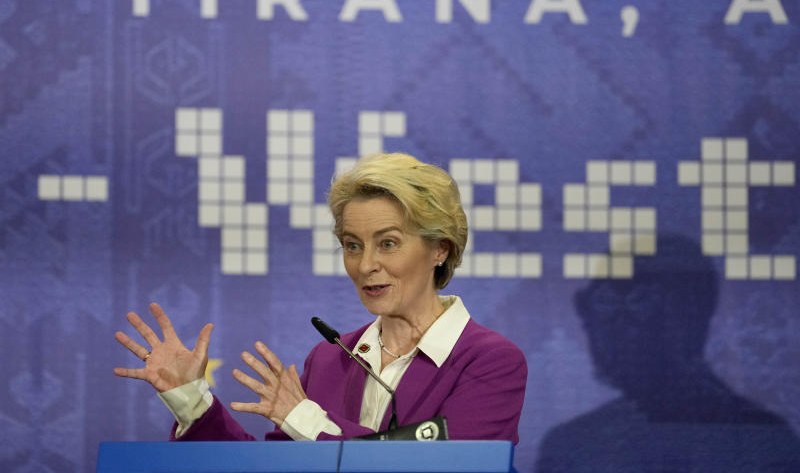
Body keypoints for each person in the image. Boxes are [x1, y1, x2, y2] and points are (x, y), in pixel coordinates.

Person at [114, 152, 527, 443]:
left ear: (441, 249)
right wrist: (191, 400)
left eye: (387, 243)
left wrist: (305, 419)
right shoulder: (330, 360)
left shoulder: (488, 361)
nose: (365, 265)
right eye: (352, 245)